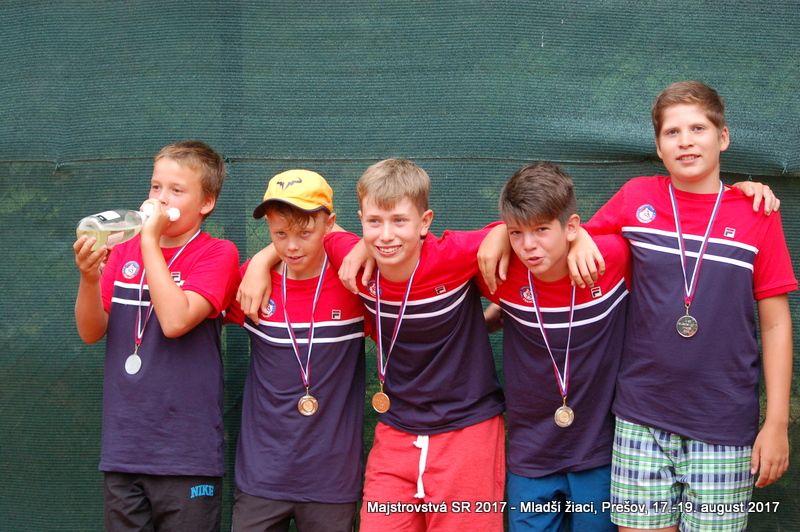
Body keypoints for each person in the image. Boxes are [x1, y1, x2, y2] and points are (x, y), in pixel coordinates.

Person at [570, 81, 796, 532]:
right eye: (672, 132)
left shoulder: (757, 212)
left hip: (723, 424)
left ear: (722, 137)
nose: (686, 141)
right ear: (658, 147)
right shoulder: (636, 197)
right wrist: (575, 239)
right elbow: (578, 238)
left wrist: (776, 423)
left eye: (698, 128)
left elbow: (775, 325)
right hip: (640, 417)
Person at [237, 159, 507, 532]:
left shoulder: (454, 253)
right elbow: (311, 231)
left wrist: (501, 231)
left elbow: (518, 231)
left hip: (467, 430)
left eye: (399, 221)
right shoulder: (350, 256)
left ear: (425, 222)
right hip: (396, 430)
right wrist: (260, 261)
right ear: (361, 220)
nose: (386, 235)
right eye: (375, 222)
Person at [73, 140, 240, 532]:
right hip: (124, 451)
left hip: (187, 455)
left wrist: (149, 240)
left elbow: (175, 321)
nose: (161, 199)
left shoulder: (218, 253)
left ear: (206, 203)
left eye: (176, 190)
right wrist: (89, 277)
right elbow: (90, 331)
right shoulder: (122, 252)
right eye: (155, 187)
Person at [477, 162, 631, 531]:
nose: (529, 245)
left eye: (542, 230)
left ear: (571, 226)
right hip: (530, 455)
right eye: (517, 233)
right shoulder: (499, 266)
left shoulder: (611, 258)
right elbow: (425, 248)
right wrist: (498, 232)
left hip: (599, 453)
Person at [225, 170, 369, 532]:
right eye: (280, 234)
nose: (291, 246)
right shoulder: (252, 282)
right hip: (260, 477)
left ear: (329, 225)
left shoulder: (353, 281)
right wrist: (260, 263)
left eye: (305, 233)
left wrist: (264, 257)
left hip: (332, 482)